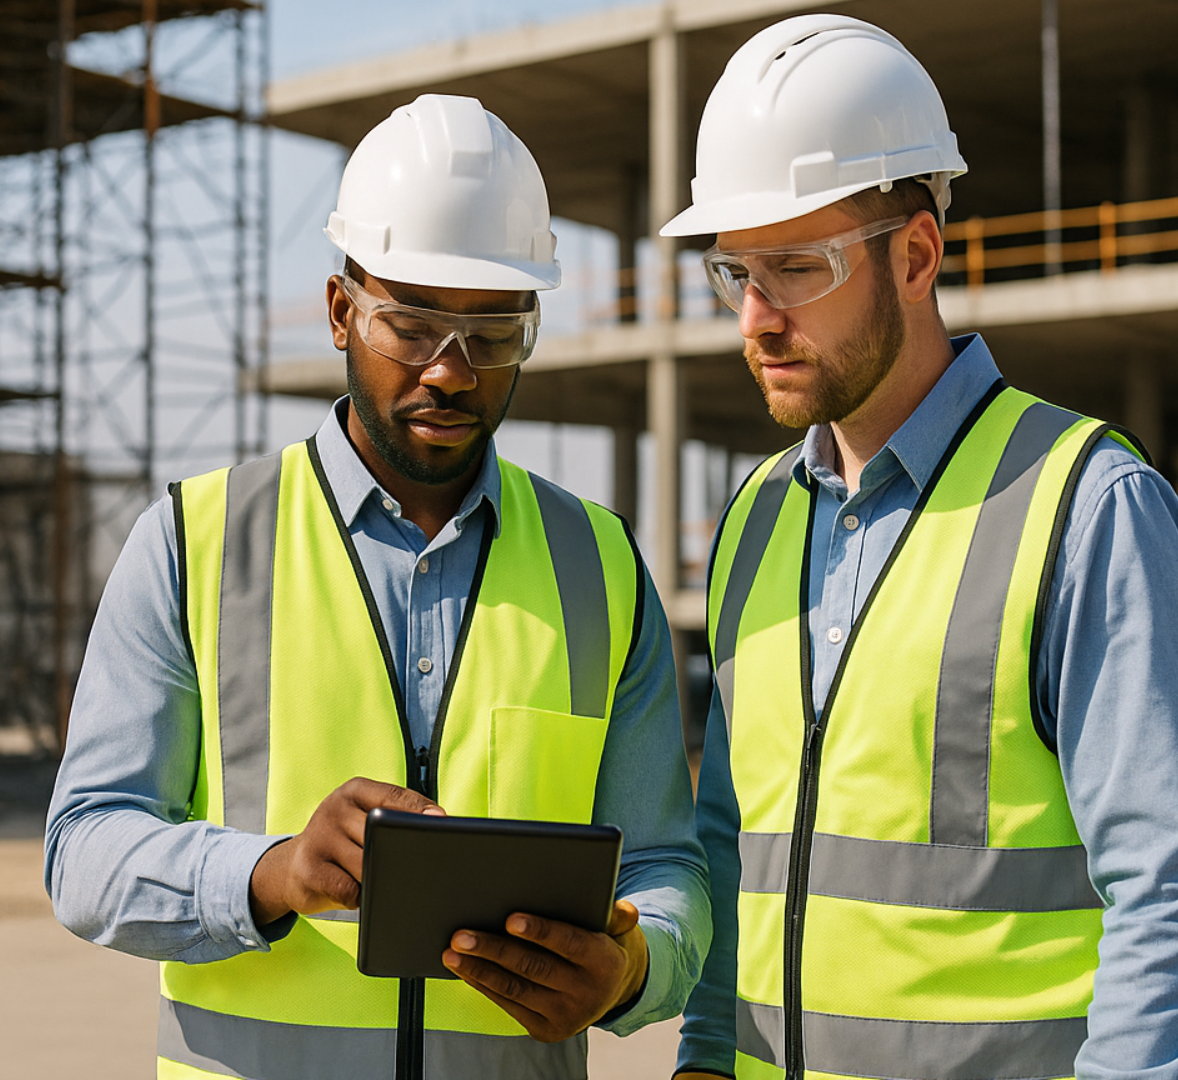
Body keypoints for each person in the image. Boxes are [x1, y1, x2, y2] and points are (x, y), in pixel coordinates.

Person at [44, 93, 707, 1080]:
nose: (451, 372)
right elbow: (85, 850)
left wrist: (632, 968)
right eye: (413, 324)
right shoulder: (197, 544)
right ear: (340, 310)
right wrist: (271, 873)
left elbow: (665, 868)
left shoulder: (599, 565)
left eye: (493, 335)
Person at [660, 16, 1178, 1080]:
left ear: (917, 254)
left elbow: (1172, 897)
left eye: (795, 268)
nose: (755, 317)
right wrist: (704, 1055)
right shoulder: (754, 520)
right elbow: (727, 854)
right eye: (733, 271)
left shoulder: (1087, 505)